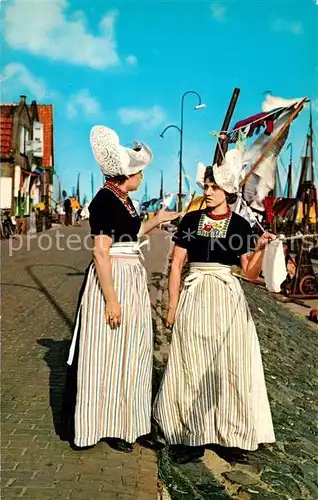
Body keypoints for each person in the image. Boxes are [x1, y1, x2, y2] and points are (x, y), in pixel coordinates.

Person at [62, 125, 178, 452]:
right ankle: (107, 424)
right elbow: (101, 251)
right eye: (140, 173)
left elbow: (133, 233)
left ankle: (133, 421)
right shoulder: (104, 202)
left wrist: (159, 218)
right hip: (113, 279)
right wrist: (111, 300)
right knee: (109, 353)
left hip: (132, 277)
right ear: (128, 175)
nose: (142, 178)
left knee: (135, 350)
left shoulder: (124, 200)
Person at [153, 158, 276, 464]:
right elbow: (177, 265)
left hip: (227, 298)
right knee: (190, 361)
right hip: (194, 295)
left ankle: (231, 436)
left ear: (228, 190)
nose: (207, 191)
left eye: (214, 186)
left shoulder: (240, 225)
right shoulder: (191, 221)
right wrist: (172, 305)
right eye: (206, 185)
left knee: (230, 364)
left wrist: (260, 248)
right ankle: (189, 436)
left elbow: (249, 272)